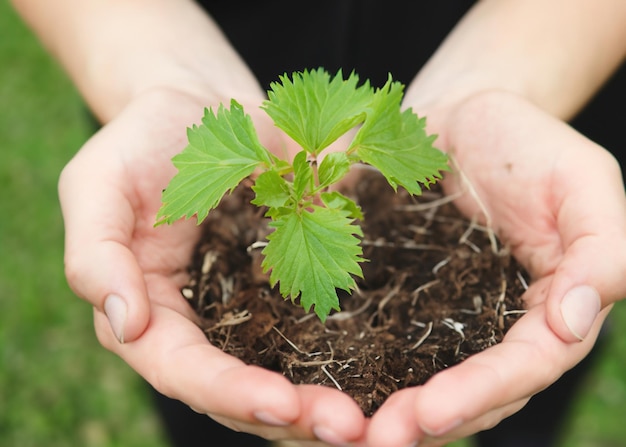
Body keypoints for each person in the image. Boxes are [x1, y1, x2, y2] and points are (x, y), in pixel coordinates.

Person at [10, 0, 626, 446]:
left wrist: (504, 83)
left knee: (527, 406)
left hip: (544, 72)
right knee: (215, 415)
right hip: (192, 44)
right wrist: (156, 72)